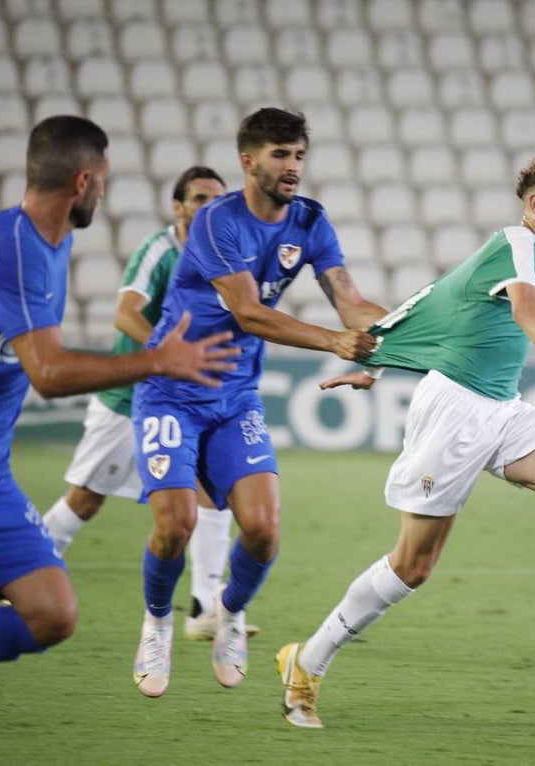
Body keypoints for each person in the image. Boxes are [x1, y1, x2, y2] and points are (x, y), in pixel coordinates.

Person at [0, 116, 239, 744]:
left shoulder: (52, 242)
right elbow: (48, 372)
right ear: (83, 181)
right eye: (104, 180)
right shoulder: (10, 245)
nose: (105, 192)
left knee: (52, 614)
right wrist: (157, 360)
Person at [275, 151, 535, 729]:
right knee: (412, 567)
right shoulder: (519, 243)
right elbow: (526, 309)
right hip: (453, 415)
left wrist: (376, 362)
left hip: (502, 409)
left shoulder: (521, 254)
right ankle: (308, 660)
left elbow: (433, 308)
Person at [130, 107, 386, 698]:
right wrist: (334, 342)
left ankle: (229, 613)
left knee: (265, 530)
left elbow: (351, 303)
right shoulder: (216, 221)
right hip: (171, 391)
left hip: (236, 397)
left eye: (299, 155)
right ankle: (157, 622)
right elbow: (248, 312)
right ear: (248, 161)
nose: (293, 166)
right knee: (174, 525)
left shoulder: (311, 220)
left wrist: (410, 329)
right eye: (280, 155)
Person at [42, 166, 250, 641]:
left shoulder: (226, 254)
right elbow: (125, 313)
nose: (209, 208)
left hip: (190, 399)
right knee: (86, 499)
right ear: (178, 207)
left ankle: (204, 609)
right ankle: (21, 570)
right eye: (199, 198)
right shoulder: (160, 249)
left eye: (217, 199)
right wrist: (166, 355)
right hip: (131, 396)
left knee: (210, 491)